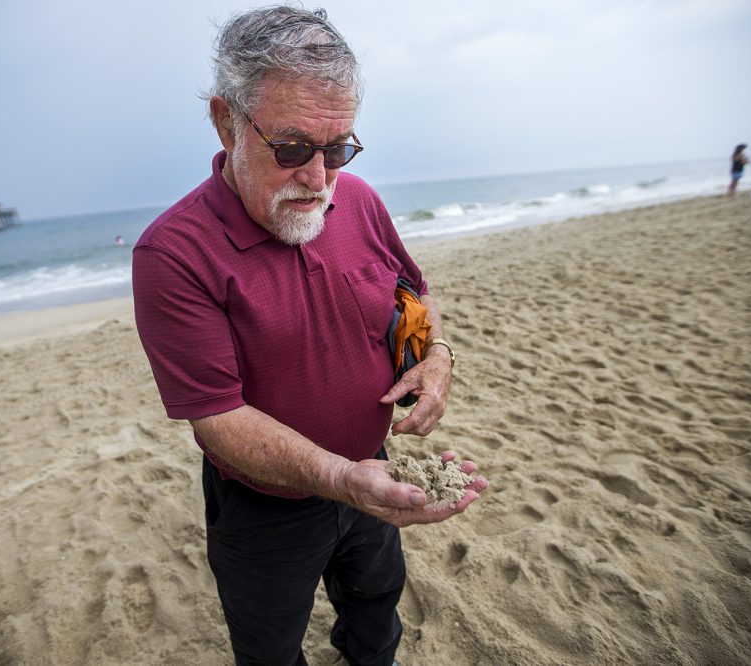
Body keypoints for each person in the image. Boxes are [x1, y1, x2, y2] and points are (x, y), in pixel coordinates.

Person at [131, 6, 487, 664]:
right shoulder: (173, 254)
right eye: (292, 149)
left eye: (339, 148)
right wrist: (343, 479)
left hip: (373, 469)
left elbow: (415, 297)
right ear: (225, 120)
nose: (319, 180)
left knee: (377, 606)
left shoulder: (361, 201)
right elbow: (217, 418)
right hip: (264, 505)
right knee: (270, 645)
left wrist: (438, 357)